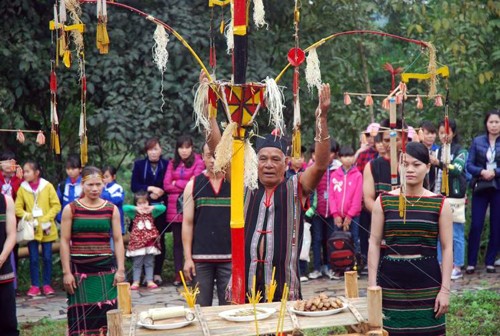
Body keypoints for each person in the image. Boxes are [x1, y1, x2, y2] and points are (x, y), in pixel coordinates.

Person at [207, 83, 332, 301]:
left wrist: (321, 118)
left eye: (275, 160)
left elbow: (321, 165)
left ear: (286, 163)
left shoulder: (296, 187)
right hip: (243, 287)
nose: (268, 165)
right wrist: (209, 112)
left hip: (284, 288)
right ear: (255, 162)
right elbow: (220, 153)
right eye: (263, 159)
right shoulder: (245, 185)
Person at [368, 142, 453, 336]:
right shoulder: (384, 201)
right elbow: (373, 243)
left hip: (427, 283)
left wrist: (445, 290)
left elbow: (447, 249)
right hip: (390, 283)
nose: (410, 169)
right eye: (405, 164)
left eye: (417, 164)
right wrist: (373, 286)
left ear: (428, 167)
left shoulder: (440, 203)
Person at [60, 166, 125, 336]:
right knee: (81, 323)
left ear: (104, 183)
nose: (95, 189)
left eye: (98, 184)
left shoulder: (111, 209)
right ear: (82, 184)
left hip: (105, 270)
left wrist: (121, 269)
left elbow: (118, 240)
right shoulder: (71, 209)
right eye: (90, 184)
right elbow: (65, 242)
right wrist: (66, 272)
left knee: (107, 318)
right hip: (79, 272)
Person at [182, 143, 231, 306]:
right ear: (202, 157)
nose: (213, 160)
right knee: (200, 307)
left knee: (230, 308)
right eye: (209, 155)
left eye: (217, 155)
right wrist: (188, 258)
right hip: (200, 258)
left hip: (230, 257)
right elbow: (187, 223)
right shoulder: (193, 185)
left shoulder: (236, 184)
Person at [15, 160, 61, 297]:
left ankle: (47, 284)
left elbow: (56, 205)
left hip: (46, 228)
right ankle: (35, 285)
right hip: (32, 229)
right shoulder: (23, 188)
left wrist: (46, 218)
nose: (25, 174)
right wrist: (28, 216)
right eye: (24, 171)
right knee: (33, 258)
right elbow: (18, 208)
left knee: (47, 257)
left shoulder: (47, 186)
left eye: (28, 171)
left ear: (36, 173)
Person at [361, 118, 403, 266]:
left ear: (403, 139)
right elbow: (368, 199)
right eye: (386, 140)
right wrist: (387, 215)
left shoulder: (411, 165)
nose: (390, 144)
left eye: (395, 139)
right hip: (382, 223)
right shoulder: (372, 167)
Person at [163, 135, 204, 285]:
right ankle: (178, 274)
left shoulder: (199, 162)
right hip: (174, 210)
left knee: (192, 241)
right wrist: (184, 183)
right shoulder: (172, 163)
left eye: (187, 147)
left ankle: (193, 273)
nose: (184, 151)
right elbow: (166, 185)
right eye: (181, 147)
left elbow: (196, 182)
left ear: (192, 148)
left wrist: (176, 182)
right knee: (177, 244)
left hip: (191, 207)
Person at [466, 109, 500, 274]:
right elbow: (469, 165)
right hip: (480, 186)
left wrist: (496, 172)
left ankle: (490, 262)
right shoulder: (477, 141)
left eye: (497, 122)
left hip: (498, 187)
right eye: (491, 122)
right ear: (486, 124)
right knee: (476, 224)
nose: (494, 125)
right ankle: (471, 262)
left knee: (496, 224)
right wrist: (481, 172)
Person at [131, 137, 168, 285]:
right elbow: (134, 185)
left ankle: (156, 273)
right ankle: (140, 274)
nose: (153, 152)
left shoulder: (166, 164)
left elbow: (169, 182)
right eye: (150, 149)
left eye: (156, 149)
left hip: (160, 208)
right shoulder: (139, 165)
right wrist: (150, 189)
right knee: (142, 241)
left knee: (159, 240)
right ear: (146, 151)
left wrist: (160, 191)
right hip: (142, 209)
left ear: (161, 150)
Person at [433, 119, 468, 279]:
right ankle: (440, 264)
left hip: (455, 196)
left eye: (446, 132)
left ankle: (458, 265)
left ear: (453, 133)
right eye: (441, 133)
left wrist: (439, 163)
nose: (444, 136)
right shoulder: (438, 150)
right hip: (439, 194)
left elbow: (456, 169)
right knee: (440, 233)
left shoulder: (461, 150)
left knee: (457, 234)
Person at [308, 138, 341, 280]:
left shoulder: (338, 168)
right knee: (317, 239)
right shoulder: (312, 168)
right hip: (316, 211)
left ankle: (329, 267)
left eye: (330, 152)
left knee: (330, 240)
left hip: (332, 211)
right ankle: (316, 268)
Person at [124, 191, 166, 290]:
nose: (142, 205)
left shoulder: (152, 213)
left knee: (149, 261)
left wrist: (152, 207)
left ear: (148, 202)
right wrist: (135, 208)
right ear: (136, 204)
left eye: (145, 203)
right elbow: (125, 207)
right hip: (137, 241)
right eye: (139, 203)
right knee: (137, 262)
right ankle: (136, 281)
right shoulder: (134, 213)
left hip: (150, 241)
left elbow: (163, 208)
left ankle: (149, 280)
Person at [329, 146, 362, 254]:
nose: (348, 159)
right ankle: (338, 267)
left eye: (351, 156)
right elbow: (331, 196)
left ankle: (355, 265)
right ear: (339, 158)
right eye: (345, 156)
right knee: (338, 241)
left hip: (353, 216)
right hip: (337, 216)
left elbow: (357, 199)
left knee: (354, 239)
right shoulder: (334, 175)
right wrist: (335, 215)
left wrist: (349, 216)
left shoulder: (357, 175)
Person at [0, 151, 22, 292]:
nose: (10, 164)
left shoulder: (18, 179)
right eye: (6, 161)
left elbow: (21, 197)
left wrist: (18, 181)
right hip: (1, 218)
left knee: (13, 250)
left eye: (12, 161)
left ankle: (13, 283)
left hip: (15, 219)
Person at [0, 193, 19, 336]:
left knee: (8, 323)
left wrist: (1, 258)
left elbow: (11, 234)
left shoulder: (6, 201)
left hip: (3, 272)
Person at [56, 155, 82, 224]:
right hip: (66, 221)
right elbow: (57, 203)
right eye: (68, 169)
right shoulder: (62, 185)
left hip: (82, 221)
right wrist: (60, 218)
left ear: (80, 169)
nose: (70, 171)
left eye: (73, 169)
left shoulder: (85, 185)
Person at [101, 165, 125, 235]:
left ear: (113, 177)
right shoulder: (101, 188)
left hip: (115, 220)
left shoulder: (117, 188)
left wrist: (104, 192)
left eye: (106, 177)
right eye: (102, 177)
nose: (104, 179)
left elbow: (115, 201)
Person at [420, 121, 439, 190]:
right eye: (427, 133)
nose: (430, 136)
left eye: (433, 133)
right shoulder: (417, 150)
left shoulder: (439, 150)